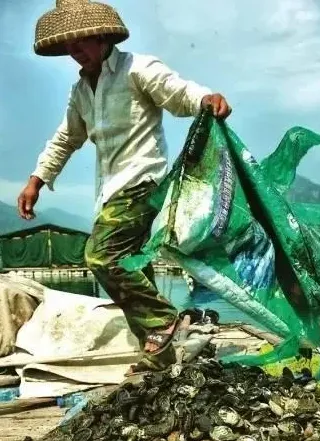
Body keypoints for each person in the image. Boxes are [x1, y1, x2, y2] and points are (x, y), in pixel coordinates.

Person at [17, 0, 231, 374]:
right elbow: (66, 138)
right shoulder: (81, 92)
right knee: (135, 269)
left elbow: (177, 92)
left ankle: (165, 319)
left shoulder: (138, 68)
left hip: (143, 181)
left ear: (101, 37)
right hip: (109, 191)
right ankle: (158, 359)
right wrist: (37, 180)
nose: (74, 51)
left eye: (81, 42)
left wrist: (204, 98)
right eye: (69, 45)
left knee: (101, 256)